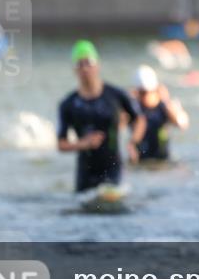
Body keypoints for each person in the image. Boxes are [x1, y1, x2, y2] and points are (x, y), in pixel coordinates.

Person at [57, 40, 145, 192]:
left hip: (113, 167)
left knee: (110, 200)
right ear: (74, 70)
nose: (85, 68)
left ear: (97, 65)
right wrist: (83, 144)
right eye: (79, 64)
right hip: (85, 172)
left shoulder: (116, 95)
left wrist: (133, 142)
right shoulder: (68, 104)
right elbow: (61, 144)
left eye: (88, 62)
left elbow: (140, 119)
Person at [131, 64, 190, 163]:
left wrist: (168, 103)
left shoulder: (165, 106)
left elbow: (182, 124)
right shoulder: (133, 107)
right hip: (140, 161)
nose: (145, 97)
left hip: (162, 161)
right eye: (142, 93)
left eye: (148, 92)